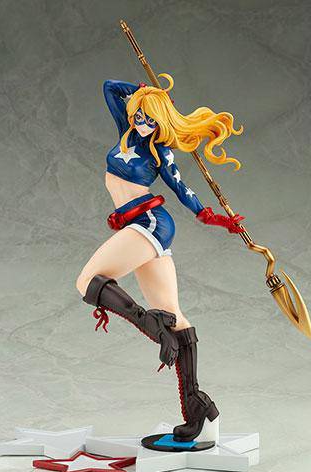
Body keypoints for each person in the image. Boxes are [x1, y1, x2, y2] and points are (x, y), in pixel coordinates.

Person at [76, 75, 244, 442]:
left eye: (150, 119)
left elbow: (183, 190)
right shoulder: (126, 130)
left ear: (161, 122)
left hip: (150, 223)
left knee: (87, 281)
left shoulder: (160, 152)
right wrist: (143, 91)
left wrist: (216, 218)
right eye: (139, 116)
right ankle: (197, 405)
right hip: (136, 225)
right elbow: (109, 87)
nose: (141, 123)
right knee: (175, 315)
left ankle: (152, 325)